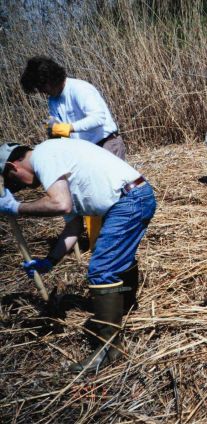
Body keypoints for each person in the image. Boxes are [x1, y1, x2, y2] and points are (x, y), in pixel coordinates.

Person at [0, 139, 156, 372]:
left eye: (14, 182)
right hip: (132, 197)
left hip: (130, 200)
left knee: (102, 270)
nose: (20, 189)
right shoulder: (57, 169)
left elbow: (60, 204)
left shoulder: (44, 156)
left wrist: (17, 208)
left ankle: (109, 349)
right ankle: (125, 306)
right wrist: (50, 261)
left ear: (13, 167)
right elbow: (74, 228)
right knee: (117, 259)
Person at [20, 56, 127, 248]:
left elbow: (98, 118)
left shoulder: (79, 89)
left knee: (109, 196)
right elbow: (60, 128)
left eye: (42, 87)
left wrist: (66, 128)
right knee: (92, 196)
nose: (43, 92)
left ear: (50, 79)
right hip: (86, 151)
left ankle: (115, 242)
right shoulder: (53, 100)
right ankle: (98, 243)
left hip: (106, 144)